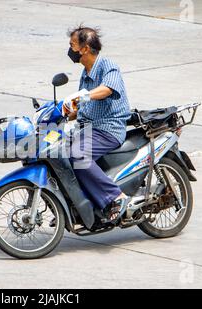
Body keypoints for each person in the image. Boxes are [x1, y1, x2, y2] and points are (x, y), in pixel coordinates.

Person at [63, 25, 131, 222]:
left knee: (78, 154)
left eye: (72, 45)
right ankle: (77, 205)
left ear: (84, 48)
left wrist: (82, 96)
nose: (70, 50)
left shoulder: (107, 65)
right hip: (88, 128)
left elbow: (107, 89)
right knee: (58, 152)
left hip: (108, 128)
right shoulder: (86, 73)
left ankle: (116, 197)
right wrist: (63, 113)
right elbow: (82, 107)